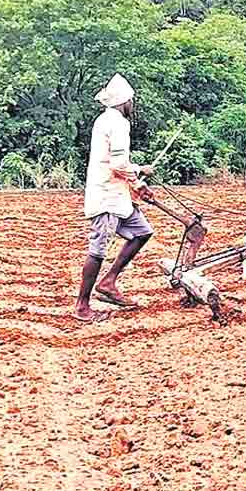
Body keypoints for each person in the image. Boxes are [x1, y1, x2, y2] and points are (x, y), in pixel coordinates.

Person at [73, 74, 156, 323]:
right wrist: (139, 177)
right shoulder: (119, 123)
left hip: (116, 195)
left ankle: (108, 282)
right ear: (124, 101)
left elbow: (115, 162)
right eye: (132, 101)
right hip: (107, 196)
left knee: (142, 232)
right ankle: (82, 306)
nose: (133, 104)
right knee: (98, 250)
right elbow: (119, 163)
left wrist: (138, 176)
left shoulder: (104, 119)